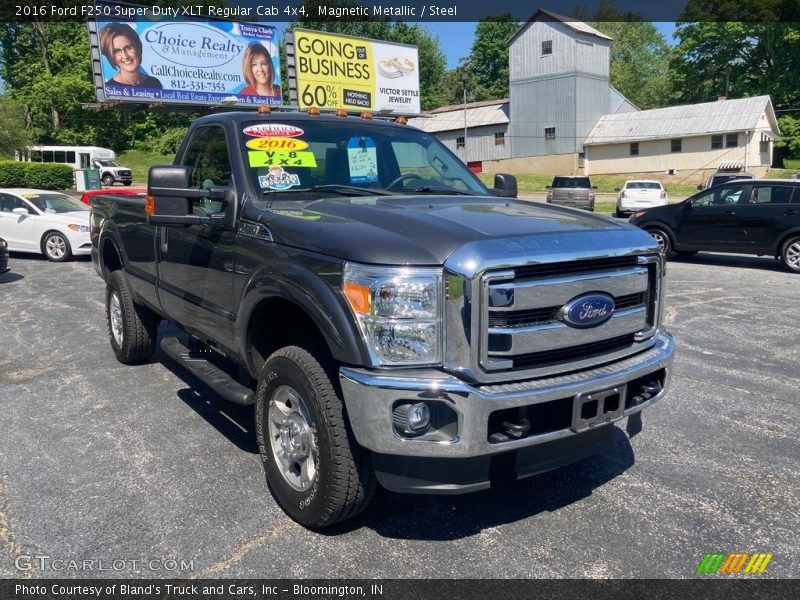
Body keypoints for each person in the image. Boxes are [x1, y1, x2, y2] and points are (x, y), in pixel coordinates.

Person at [99, 23, 162, 89]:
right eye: (117, 51)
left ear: (138, 47)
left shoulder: (154, 83)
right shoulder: (109, 88)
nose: (125, 56)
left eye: (128, 48)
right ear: (111, 57)